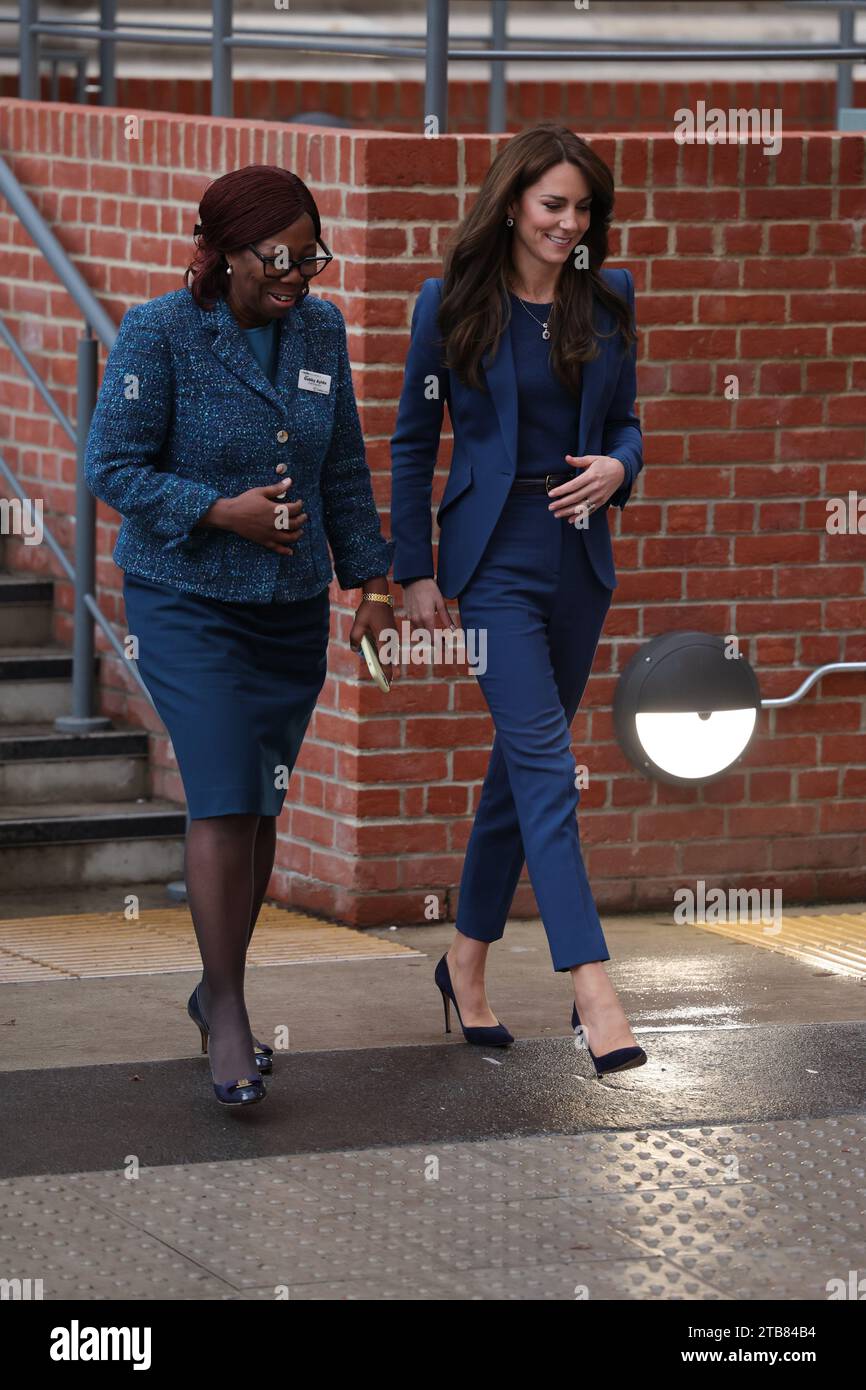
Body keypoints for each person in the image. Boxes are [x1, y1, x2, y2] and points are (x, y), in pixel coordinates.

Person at [85, 164, 395, 1108]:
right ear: (222, 253)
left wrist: (370, 582)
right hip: (187, 600)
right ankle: (229, 1012)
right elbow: (112, 466)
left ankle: (213, 985)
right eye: (279, 259)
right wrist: (221, 511)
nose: (299, 275)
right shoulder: (160, 332)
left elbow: (341, 460)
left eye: (311, 258)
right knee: (222, 793)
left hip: (289, 608)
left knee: (260, 805)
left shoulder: (321, 330)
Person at [390, 123, 647, 1078]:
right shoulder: (449, 301)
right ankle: (593, 987)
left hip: (578, 561)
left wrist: (620, 467)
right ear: (512, 204)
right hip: (490, 563)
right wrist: (410, 569)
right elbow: (416, 440)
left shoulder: (607, 295)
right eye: (553, 205)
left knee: (517, 767)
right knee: (548, 766)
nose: (569, 223)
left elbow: (628, 421)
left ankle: (464, 962)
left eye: (583, 208)